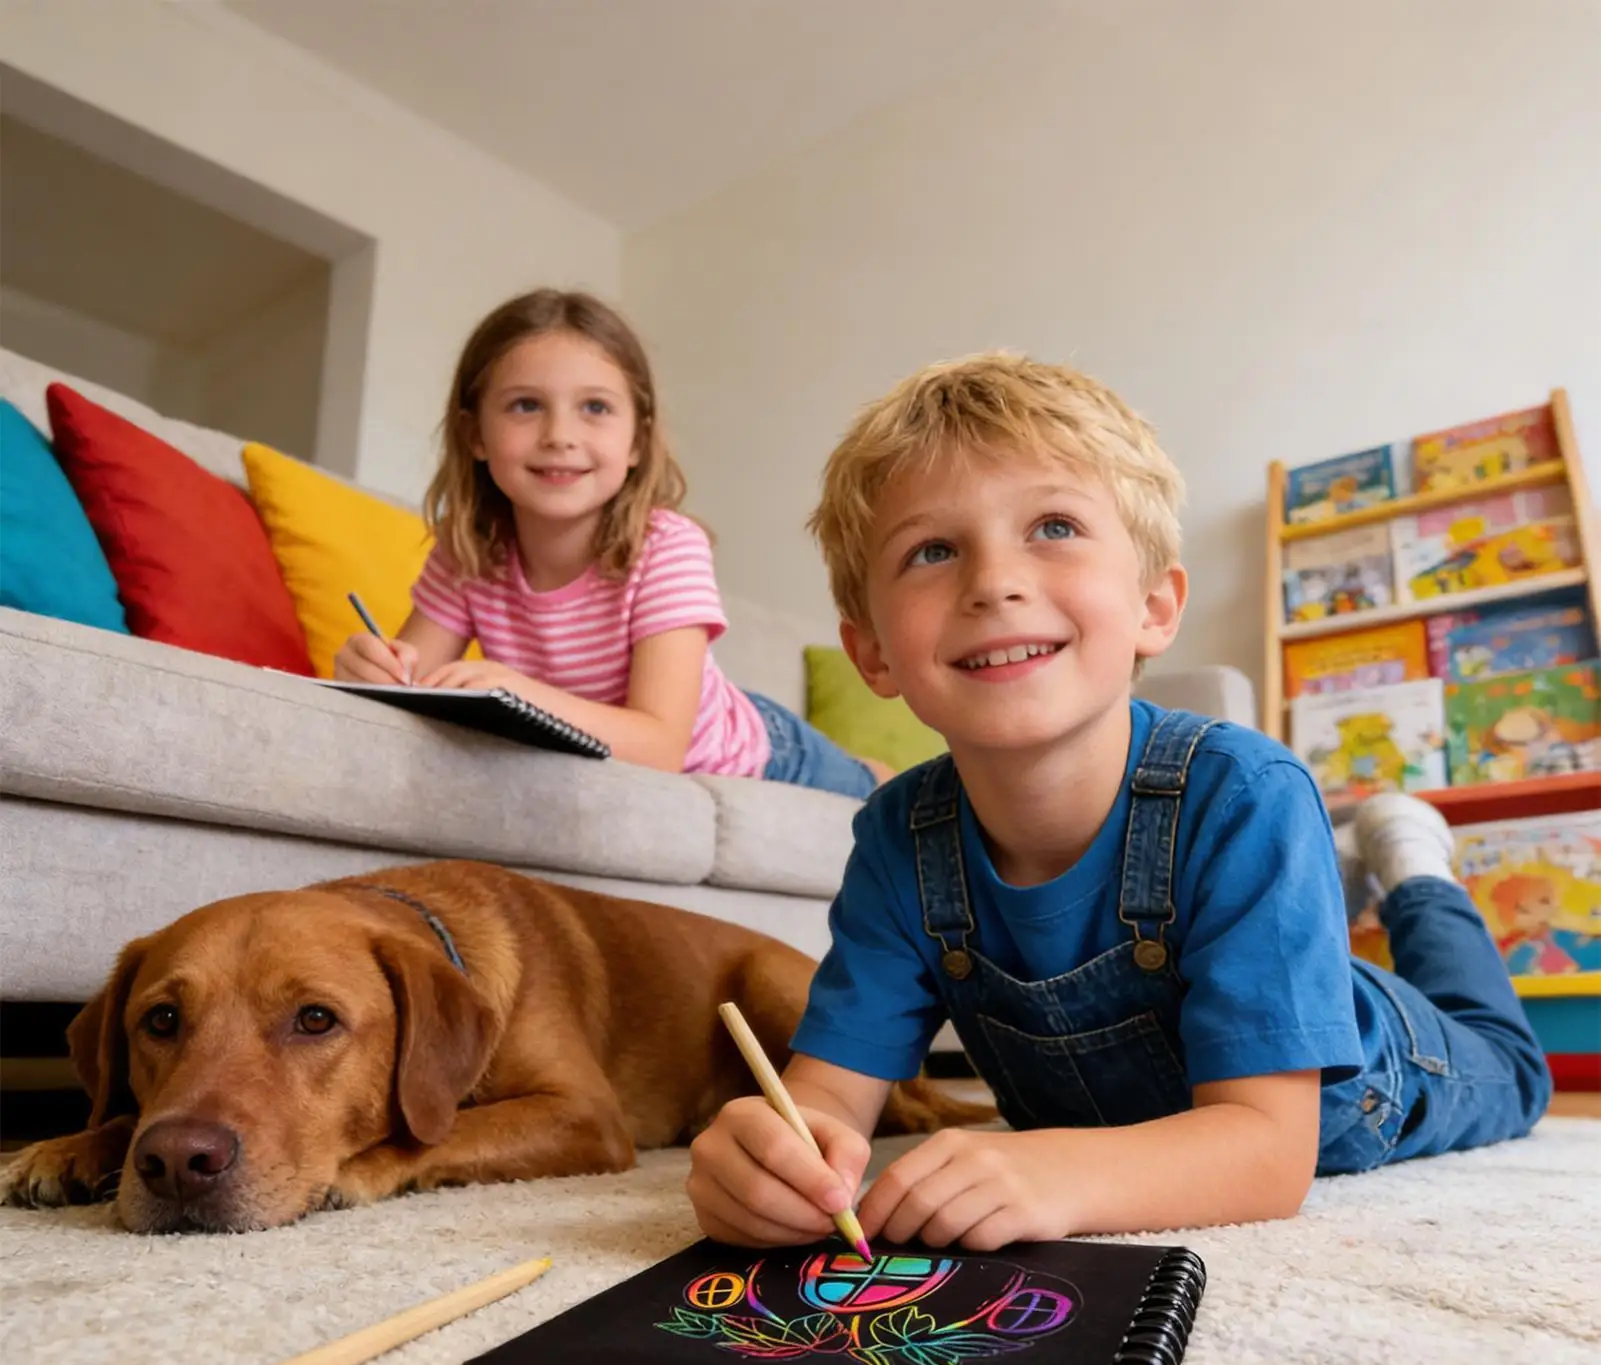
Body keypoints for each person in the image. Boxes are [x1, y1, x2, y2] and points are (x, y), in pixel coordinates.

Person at [686, 352, 1551, 1252]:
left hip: (1387, 1068)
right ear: (871, 652)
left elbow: (1267, 1151)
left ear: (1154, 606)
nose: (992, 581)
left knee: (1512, 1066)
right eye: (932, 550)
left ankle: (1415, 873)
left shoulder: (1245, 792)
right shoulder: (895, 837)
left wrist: (1060, 1173)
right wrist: (773, 1157)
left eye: (1053, 526)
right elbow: (827, 1095)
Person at [334, 288, 888, 797]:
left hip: (761, 753)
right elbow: (412, 690)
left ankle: (878, 769)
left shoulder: (666, 546)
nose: (559, 435)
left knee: (881, 794)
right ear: (475, 434)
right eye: (526, 405)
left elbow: (660, 747)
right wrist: (373, 673)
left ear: (637, 442)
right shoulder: (468, 554)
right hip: (618, 739)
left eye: (595, 408)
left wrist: (517, 693)